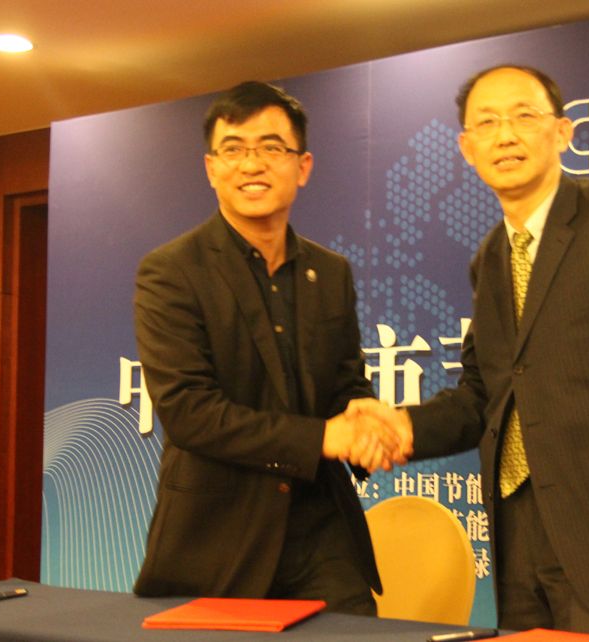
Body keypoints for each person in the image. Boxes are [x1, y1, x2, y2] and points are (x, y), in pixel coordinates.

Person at [353, 65, 589, 638]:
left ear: (562, 132)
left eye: (523, 116)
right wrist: (404, 427)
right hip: (517, 531)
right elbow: (484, 395)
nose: (506, 135)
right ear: (467, 148)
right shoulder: (491, 256)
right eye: (487, 123)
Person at [131, 81, 403, 613]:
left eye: (271, 148)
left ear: (302, 166)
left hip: (322, 530)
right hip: (217, 540)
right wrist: (324, 437)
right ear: (211, 168)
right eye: (234, 149)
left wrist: (364, 417)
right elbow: (190, 413)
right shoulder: (171, 272)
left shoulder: (331, 272)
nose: (252, 164)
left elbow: (345, 382)